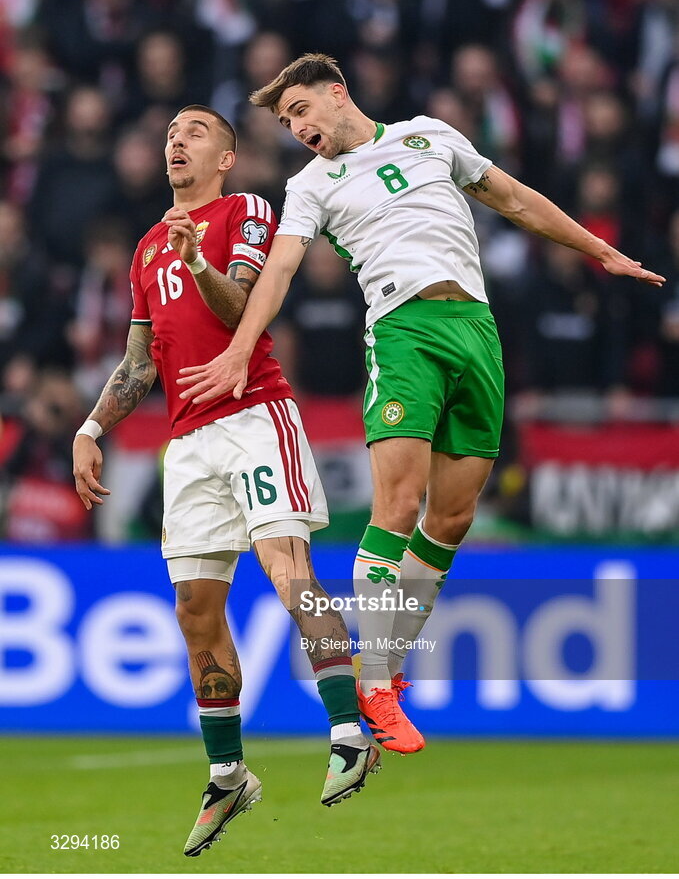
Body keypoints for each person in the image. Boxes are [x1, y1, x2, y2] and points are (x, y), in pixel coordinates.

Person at [175, 55, 666, 755]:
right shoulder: (311, 183)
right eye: (286, 124)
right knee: (397, 508)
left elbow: (515, 198)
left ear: (336, 93)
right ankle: (374, 679)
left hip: (475, 329)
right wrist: (238, 348)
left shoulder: (429, 135)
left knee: (453, 516)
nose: (297, 129)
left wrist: (601, 252)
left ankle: (385, 669)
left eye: (301, 112)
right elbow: (280, 269)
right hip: (402, 333)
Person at [72, 104, 380, 857]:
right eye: (171, 133)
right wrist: (90, 428)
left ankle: (347, 728)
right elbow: (141, 365)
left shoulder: (245, 209)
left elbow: (245, 308)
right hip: (188, 443)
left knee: (285, 568)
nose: (177, 140)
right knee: (194, 611)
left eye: (195, 132)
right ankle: (228, 773)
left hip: (254, 416)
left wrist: (200, 261)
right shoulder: (148, 248)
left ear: (224, 158)